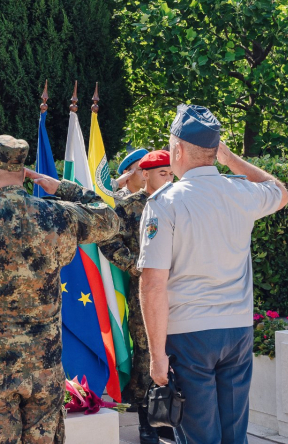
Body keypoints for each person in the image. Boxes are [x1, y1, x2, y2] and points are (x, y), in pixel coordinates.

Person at [0, 134, 121, 443]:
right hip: (44, 369)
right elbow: (109, 218)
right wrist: (60, 187)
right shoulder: (56, 215)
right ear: (23, 174)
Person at [137, 105, 288, 444]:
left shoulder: (166, 202)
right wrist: (231, 159)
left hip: (190, 335)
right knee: (235, 435)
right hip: (236, 331)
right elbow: (280, 190)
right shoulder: (242, 192)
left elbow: (152, 284)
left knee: (198, 437)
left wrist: (158, 357)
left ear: (177, 150)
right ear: (214, 151)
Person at [99, 150, 174, 444]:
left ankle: (171, 419)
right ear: (145, 174)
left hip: (178, 291)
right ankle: (147, 423)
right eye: (162, 173)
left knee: (178, 353)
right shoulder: (129, 207)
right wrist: (136, 267)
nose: (169, 178)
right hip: (145, 293)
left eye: (171, 173)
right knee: (147, 356)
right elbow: (108, 240)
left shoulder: (179, 203)